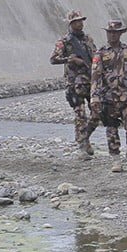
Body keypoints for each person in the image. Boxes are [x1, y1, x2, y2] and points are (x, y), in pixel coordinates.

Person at [90, 20, 127, 172]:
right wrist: (94, 97)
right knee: (111, 129)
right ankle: (116, 160)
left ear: (121, 33)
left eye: (115, 32)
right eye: (110, 32)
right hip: (107, 97)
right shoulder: (101, 53)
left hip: (126, 96)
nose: (112, 35)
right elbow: (95, 76)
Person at [50, 10, 99, 160]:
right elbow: (53, 59)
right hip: (74, 84)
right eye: (77, 21)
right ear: (71, 23)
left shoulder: (88, 39)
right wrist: (69, 59)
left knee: (97, 114)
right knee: (80, 115)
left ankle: (86, 138)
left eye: (82, 20)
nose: (80, 23)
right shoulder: (64, 41)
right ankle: (81, 146)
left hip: (91, 81)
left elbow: (95, 55)